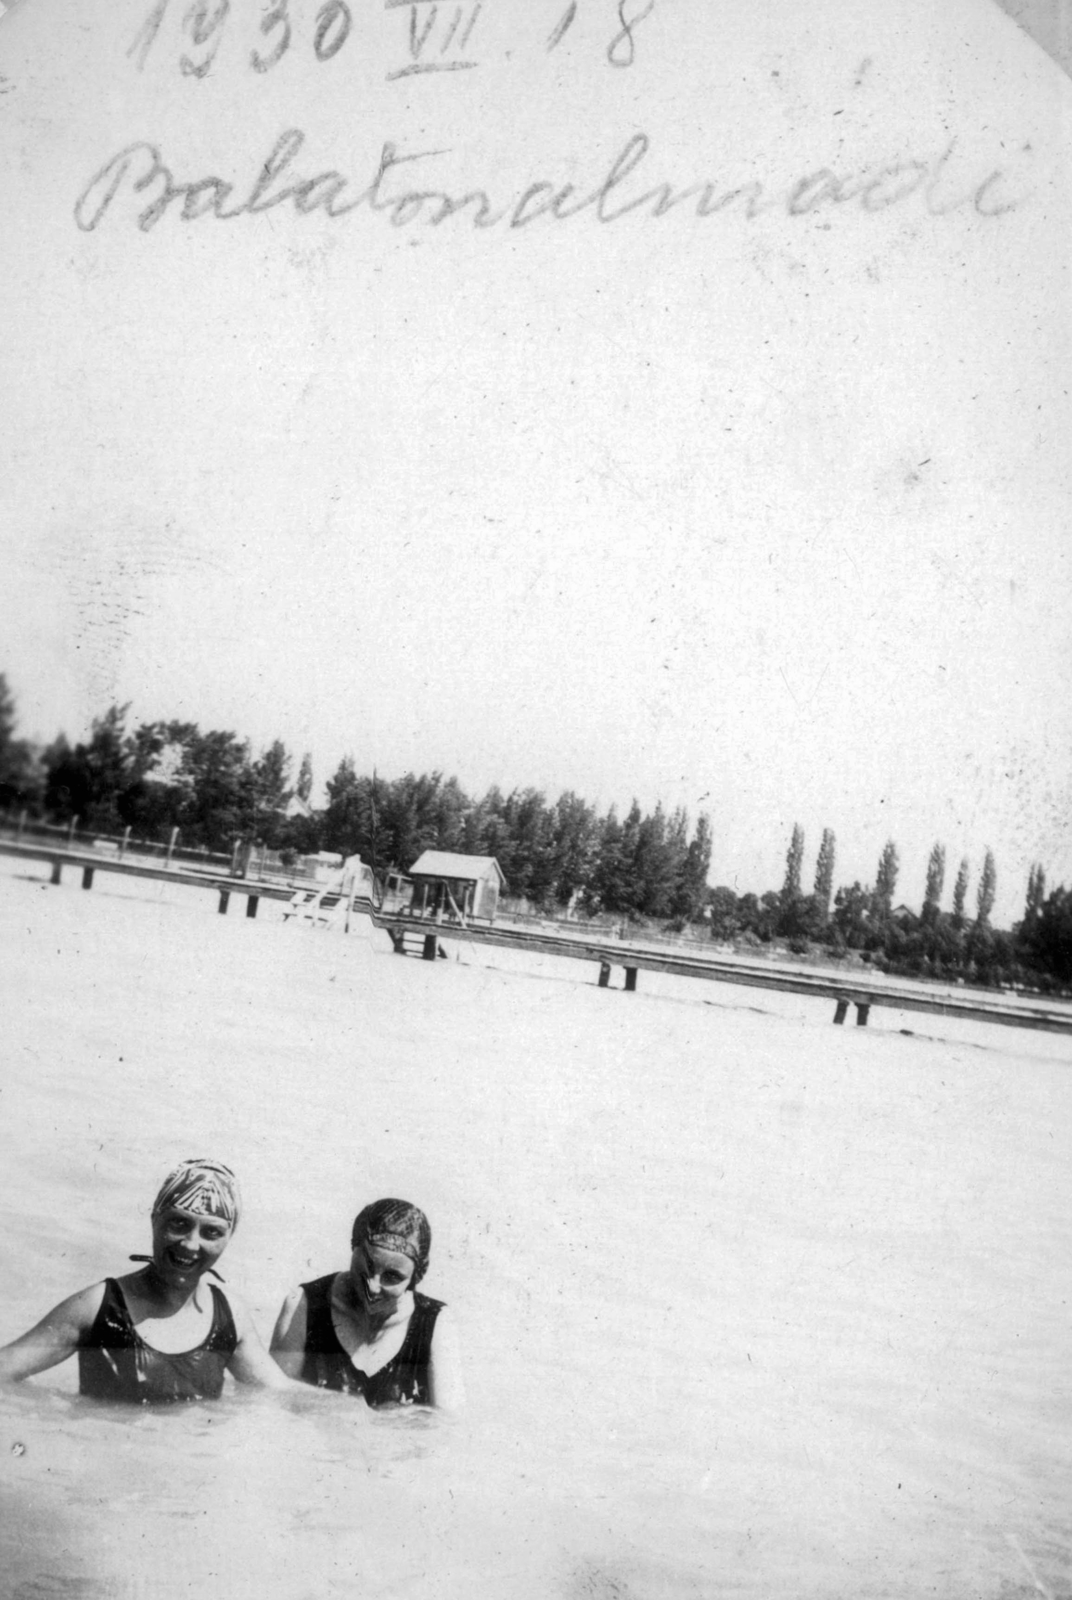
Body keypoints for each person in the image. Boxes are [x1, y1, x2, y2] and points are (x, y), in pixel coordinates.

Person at [0, 1158, 290, 1404]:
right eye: (179, 1223)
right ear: (155, 1219)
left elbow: (282, 1398)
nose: (190, 1244)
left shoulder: (229, 1315)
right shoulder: (98, 1307)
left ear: (228, 1238)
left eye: (211, 1233)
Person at [270, 1198, 464, 1410]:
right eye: (368, 1265)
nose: (373, 1286)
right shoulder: (305, 1304)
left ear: (413, 1280)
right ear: (354, 1248)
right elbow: (273, 1405)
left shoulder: (435, 1322)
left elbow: (447, 1426)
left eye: (392, 1277)